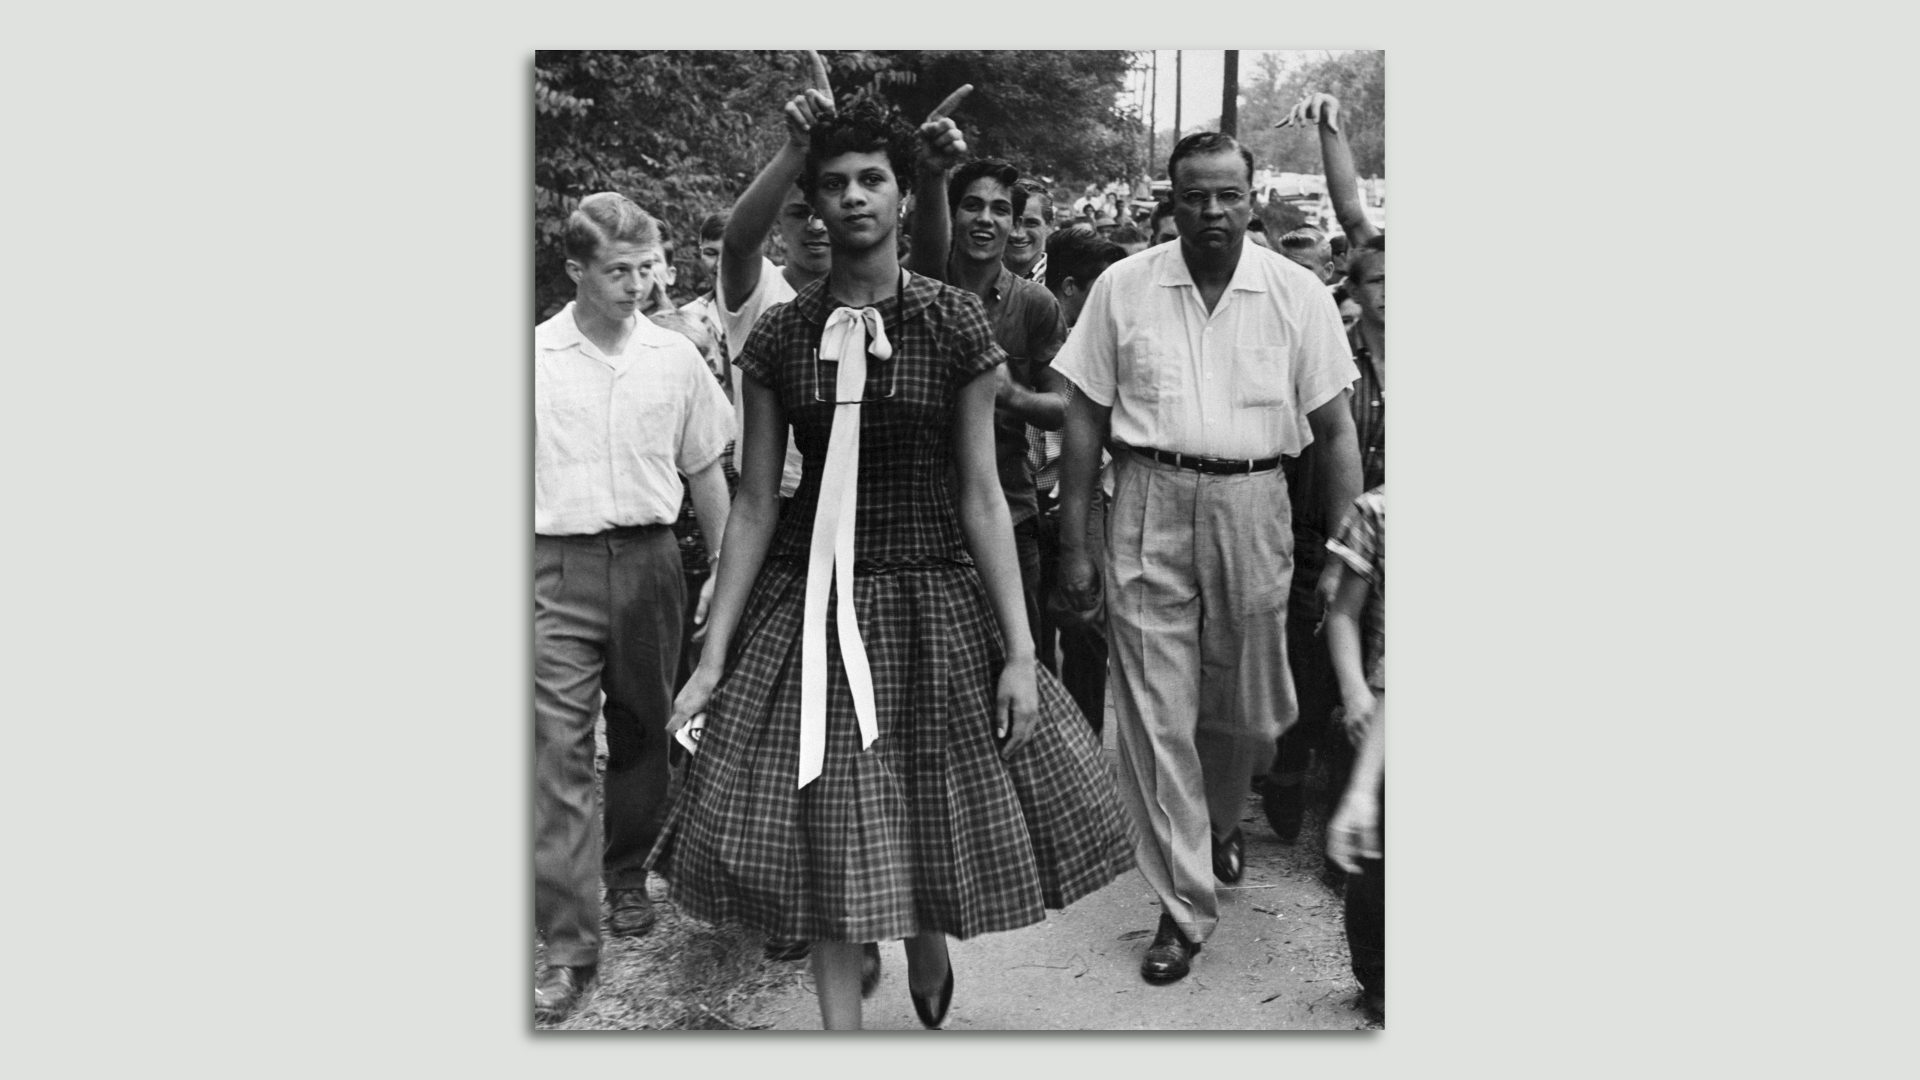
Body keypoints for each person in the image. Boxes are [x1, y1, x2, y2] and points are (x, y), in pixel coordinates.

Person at [651, 97, 1135, 1031]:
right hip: (808, 599)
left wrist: (1022, 650)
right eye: (833, 185)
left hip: (930, 590)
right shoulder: (783, 337)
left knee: (922, 780)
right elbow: (755, 499)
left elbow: (981, 492)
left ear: (903, 197)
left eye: (872, 179)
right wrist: (713, 656)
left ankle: (923, 933)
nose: (852, 198)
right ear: (815, 204)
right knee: (827, 805)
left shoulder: (953, 321)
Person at [1051, 131, 1362, 985]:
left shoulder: (1296, 295)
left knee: (1244, 711)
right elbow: (1082, 415)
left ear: (1252, 197)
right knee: (1154, 715)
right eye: (1196, 196)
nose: (1213, 211)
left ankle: (1221, 821)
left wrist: (1348, 554)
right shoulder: (1124, 287)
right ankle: (1182, 906)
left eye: (1229, 195)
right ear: (1172, 200)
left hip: (1255, 505)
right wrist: (1074, 540)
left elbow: (1335, 433)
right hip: (1147, 497)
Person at [533, 193, 735, 1024]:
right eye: (618, 271)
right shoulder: (531, 358)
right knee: (558, 749)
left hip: (654, 562)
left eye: (646, 267)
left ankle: (624, 876)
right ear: (576, 269)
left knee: (647, 729)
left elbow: (705, 471)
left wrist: (725, 566)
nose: (638, 284)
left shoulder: (676, 357)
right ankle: (569, 943)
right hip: (555, 565)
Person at [715, 53, 958, 507]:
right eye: (798, 212)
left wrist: (932, 175)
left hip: (879, 500)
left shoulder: (882, 293)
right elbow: (738, 245)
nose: (815, 226)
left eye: (866, 183)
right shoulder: (759, 294)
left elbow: (929, 268)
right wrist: (798, 149)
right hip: (775, 499)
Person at [1259, 235, 1386, 853]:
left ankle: (1348, 811)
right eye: (1379, 281)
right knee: (1309, 663)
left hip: (1391, 537)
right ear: (1354, 289)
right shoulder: (1334, 351)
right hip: (1321, 525)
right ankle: (1285, 771)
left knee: (1370, 673)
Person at [940, 158, 1072, 656]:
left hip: (1009, 513)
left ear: (1014, 224)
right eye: (972, 206)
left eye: (1000, 210)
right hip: (920, 516)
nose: (985, 220)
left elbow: (1066, 406)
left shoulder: (1034, 305)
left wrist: (1013, 394)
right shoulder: (914, 286)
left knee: (1021, 662)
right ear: (951, 213)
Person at [1032, 224, 1127, 732]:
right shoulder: (1031, 327)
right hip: (1026, 492)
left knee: (1088, 626)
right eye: (1100, 286)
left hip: (1084, 493)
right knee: (1031, 633)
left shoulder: (1110, 342)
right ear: (1070, 288)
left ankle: (1086, 742)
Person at [1323, 485, 1386, 1021]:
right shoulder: (1378, 513)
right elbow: (1343, 612)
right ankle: (1378, 974)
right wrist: (1354, 690)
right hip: (1386, 710)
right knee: (1376, 856)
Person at [679, 212, 732, 379]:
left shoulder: (775, 306)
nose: (720, 265)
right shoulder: (689, 316)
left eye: (731, 255)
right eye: (711, 253)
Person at [1003, 178, 1053, 283]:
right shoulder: (977, 278)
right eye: (1012, 222)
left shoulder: (1060, 281)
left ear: (1049, 225)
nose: (1018, 234)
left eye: (1031, 223)